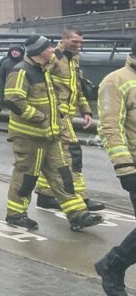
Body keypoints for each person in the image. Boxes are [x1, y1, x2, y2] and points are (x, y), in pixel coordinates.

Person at [2, 35, 103, 230]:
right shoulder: (21, 71)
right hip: (30, 137)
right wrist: (41, 117)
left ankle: (77, 214)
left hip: (50, 135)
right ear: (39, 52)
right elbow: (13, 100)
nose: (52, 51)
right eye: (48, 48)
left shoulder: (43, 70)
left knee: (62, 174)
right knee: (26, 176)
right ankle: (15, 214)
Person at [35, 29, 105, 211]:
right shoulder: (54, 58)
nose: (78, 45)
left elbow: (77, 87)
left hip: (67, 114)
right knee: (72, 153)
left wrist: (86, 110)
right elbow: (40, 83)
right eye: (74, 41)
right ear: (63, 39)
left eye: (81, 42)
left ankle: (45, 193)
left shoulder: (73, 58)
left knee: (56, 154)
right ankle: (79, 197)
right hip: (57, 114)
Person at [94, 37, 136, 296]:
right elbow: (110, 127)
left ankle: (112, 263)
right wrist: (125, 168)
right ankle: (114, 264)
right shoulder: (116, 81)